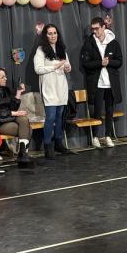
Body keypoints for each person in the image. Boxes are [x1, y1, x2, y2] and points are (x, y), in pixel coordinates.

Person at [80, 17, 123, 148]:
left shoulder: (113, 43)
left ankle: (108, 135)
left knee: (110, 110)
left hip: (111, 83)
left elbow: (119, 61)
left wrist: (109, 62)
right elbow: (85, 64)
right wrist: (100, 63)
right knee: (97, 111)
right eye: (92, 29)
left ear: (104, 27)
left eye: (97, 28)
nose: (94, 31)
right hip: (97, 83)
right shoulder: (89, 43)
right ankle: (95, 137)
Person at [34, 24, 72, 158]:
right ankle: (47, 145)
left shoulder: (61, 49)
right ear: (45, 35)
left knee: (59, 116)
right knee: (50, 117)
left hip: (61, 86)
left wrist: (67, 67)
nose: (53, 35)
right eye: (50, 33)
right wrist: (55, 66)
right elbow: (38, 69)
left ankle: (58, 143)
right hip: (49, 88)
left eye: (55, 33)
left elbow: (67, 65)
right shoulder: (41, 50)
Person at [0, 68, 33, 167]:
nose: (5, 79)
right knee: (28, 129)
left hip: (10, 118)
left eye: (5, 76)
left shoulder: (7, 90)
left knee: (24, 119)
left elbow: (13, 107)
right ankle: (22, 155)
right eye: (2, 77)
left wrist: (18, 93)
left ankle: (22, 154)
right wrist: (14, 113)